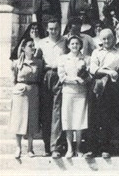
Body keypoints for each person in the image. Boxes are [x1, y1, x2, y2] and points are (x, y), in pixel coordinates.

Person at [88, 28, 119, 158]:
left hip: (112, 88)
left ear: (113, 39)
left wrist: (110, 73)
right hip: (97, 86)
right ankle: (92, 148)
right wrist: (108, 71)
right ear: (100, 40)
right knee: (94, 117)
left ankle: (105, 148)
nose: (107, 41)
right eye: (104, 39)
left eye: (109, 38)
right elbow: (93, 69)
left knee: (107, 118)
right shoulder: (96, 52)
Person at [9, 39, 43, 159]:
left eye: (33, 46)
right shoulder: (17, 63)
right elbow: (14, 80)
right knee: (18, 120)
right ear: (23, 48)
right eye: (30, 46)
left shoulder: (38, 62)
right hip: (20, 92)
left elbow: (39, 78)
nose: (32, 48)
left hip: (33, 91)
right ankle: (18, 147)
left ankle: (30, 148)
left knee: (32, 119)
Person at [37, 19, 67, 157]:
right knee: (46, 111)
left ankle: (56, 147)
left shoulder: (65, 42)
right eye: (51, 28)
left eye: (56, 28)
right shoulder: (42, 43)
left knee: (57, 111)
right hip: (45, 75)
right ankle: (47, 146)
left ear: (59, 28)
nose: (53, 31)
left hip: (59, 76)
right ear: (47, 29)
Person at [59, 36, 90, 158]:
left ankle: (78, 148)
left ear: (80, 45)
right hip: (68, 92)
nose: (74, 46)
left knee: (79, 120)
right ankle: (70, 149)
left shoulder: (86, 59)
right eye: (72, 44)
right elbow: (62, 76)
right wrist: (74, 79)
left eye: (77, 43)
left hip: (81, 93)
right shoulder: (63, 59)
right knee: (68, 120)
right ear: (68, 45)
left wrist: (85, 80)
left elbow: (89, 75)